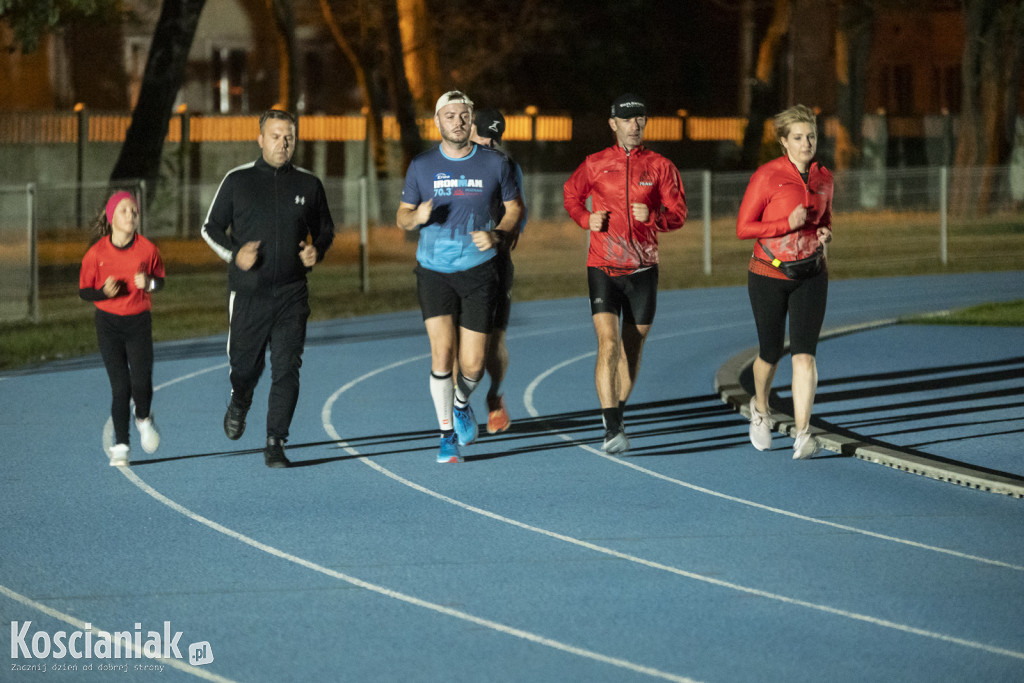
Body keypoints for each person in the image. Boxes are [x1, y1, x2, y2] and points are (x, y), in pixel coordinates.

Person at [201, 108, 335, 469]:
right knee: (245, 368)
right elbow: (209, 228)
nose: (283, 143)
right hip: (249, 293)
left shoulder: (308, 184)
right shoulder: (238, 180)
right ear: (260, 139)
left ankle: (275, 442)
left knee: (287, 368)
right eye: (275, 136)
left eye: (289, 136)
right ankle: (240, 400)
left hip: (292, 294)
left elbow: (325, 229)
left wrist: (316, 250)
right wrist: (234, 254)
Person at [396, 91, 523, 463]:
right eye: (449, 115)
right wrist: (415, 218)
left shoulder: (495, 164)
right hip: (434, 271)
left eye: (463, 115)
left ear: (471, 120)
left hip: (479, 270)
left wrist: (498, 233)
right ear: (437, 122)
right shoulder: (421, 165)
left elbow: (515, 208)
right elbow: (402, 214)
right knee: (442, 353)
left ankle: (462, 400)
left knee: (472, 365)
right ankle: (445, 434)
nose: (457, 121)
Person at [563, 93, 687, 454]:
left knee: (632, 350)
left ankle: (615, 412)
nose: (635, 126)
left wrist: (656, 218)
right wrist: (587, 219)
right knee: (608, 342)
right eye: (628, 120)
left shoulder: (660, 166)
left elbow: (678, 214)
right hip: (603, 265)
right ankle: (612, 427)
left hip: (644, 269)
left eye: (640, 119)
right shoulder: (595, 163)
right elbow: (571, 195)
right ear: (613, 123)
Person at [736, 104, 834, 459]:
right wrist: (785, 224)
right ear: (783, 142)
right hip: (768, 274)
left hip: (812, 273)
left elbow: (826, 218)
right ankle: (760, 407)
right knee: (771, 352)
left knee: (805, 355)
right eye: (798, 137)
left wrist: (825, 233)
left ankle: (803, 433)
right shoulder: (767, 176)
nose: (806, 143)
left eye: (811, 136)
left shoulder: (824, 177)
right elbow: (743, 228)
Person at [79, 190, 165, 466]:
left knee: (141, 380)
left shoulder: (148, 249)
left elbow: (159, 282)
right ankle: (121, 445)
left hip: (138, 322)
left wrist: (148, 283)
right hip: (108, 325)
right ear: (112, 217)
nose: (131, 215)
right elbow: (84, 291)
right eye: (124, 211)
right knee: (120, 387)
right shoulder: (96, 254)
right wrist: (103, 293)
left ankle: (143, 418)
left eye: (134, 211)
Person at [469, 107, 527, 434]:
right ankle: (456, 408)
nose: (491, 143)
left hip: (496, 263)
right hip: (452, 267)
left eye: (496, 137)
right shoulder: (448, 165)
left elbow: (518, 214)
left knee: (494, 341)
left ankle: (494, 397)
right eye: (484, 135)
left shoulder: (507, 168)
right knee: (453, 344)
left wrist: (501, 236)